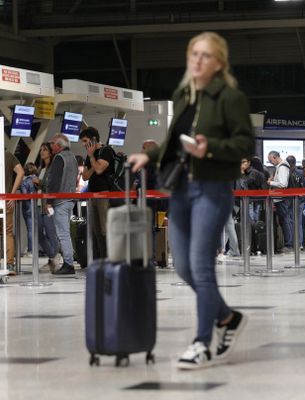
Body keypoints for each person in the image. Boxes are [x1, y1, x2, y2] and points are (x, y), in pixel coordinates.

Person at [128, 31, 254, 370]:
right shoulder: (183, 94)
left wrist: (209, 148)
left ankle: (202, 342)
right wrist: (150, 157)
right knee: (183, 267)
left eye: (206, 55)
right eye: (194, 54)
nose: (198, 61)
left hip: (212, 189)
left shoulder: (230, 98)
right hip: (181, 190)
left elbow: (245, 146)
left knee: (201, 265)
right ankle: (227, 318)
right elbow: (172, 142)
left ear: (219, 63)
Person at [46, 134, 79, 275]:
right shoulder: (72, 157)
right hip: (70, 200)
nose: (50, 145)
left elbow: (54, 181)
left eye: (52, 143)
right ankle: (69, 261)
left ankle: (68, 264)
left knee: (63, 234)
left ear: (58, 145)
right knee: (66, 233)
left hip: (60, 201)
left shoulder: (59, 158)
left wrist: (48, 201)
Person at [80, 127, 114, 259]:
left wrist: (91, 157)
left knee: (106, 229)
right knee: (97, 231)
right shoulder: (90, 155)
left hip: (105, 194)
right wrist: (92, 159)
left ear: (93, 140)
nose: (83, 144)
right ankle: (103, 258)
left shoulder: (106, 151)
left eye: (85, 141)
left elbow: (99, 169)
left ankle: (111, 258)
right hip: (92, 195)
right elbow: (85, 176)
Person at [33, 143, 62, 272]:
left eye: (44, 150)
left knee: (51, 232)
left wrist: (40, 182)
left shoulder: (52, 168)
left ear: (50, 152)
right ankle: (53, 255)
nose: (42, 152)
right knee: (38, 233)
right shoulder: (40, 168)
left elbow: (51, 184)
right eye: (41, 150)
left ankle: (55, 259)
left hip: (48, 204)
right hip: (39, 205)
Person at [2, 151, 25, 275]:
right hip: (6, 199)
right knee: (7, 232)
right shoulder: (8, 155)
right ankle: (9, 265)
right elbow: (21, 172)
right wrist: (12, 194)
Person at [267, 151, 293, 252]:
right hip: (280, 199)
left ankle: (289, 244)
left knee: (285, 221)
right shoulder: (281, 167)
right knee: (284, 221)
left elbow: (283, 184)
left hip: (282, 199)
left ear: (275, 157)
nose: (270, 162)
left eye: (270, 160)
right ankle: (288, 243)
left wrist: (271, 182)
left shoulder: (282, 167)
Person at [20, 162, 38, 256]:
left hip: (27, 208)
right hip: (36, 206)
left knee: (30, 230)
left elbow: (25, 196)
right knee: (37, 229)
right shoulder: (37, 180)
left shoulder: (24, 182)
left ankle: (31, 250)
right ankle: (38, 248)